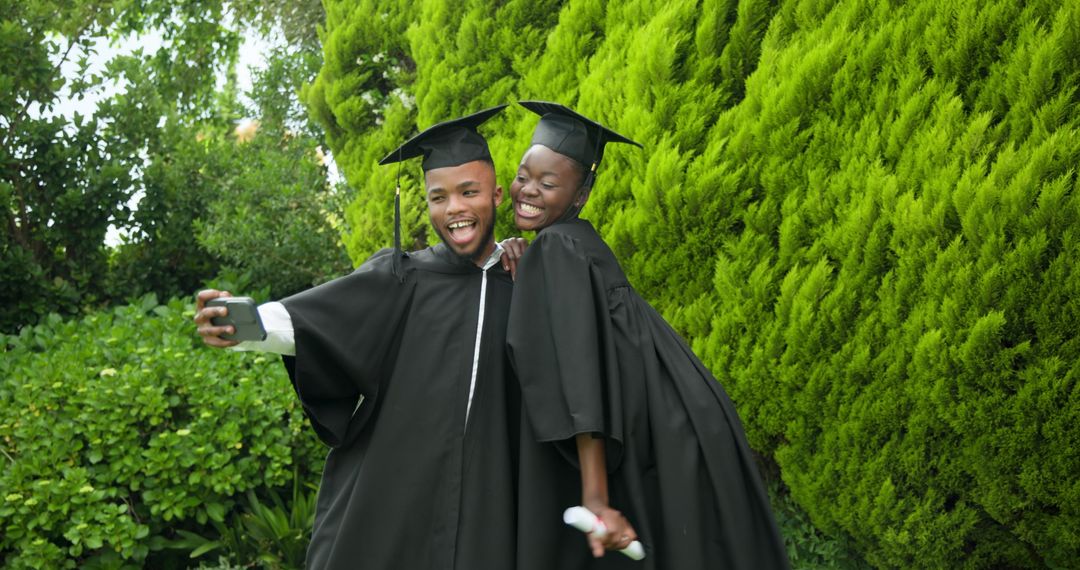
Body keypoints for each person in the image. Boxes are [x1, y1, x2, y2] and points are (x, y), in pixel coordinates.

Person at [195, 106, 527, 569]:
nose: (454, 209)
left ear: (495, 194)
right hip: (391, 496)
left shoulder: (524, 281)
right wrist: (243, 325)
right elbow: (315, 319)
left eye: (469, 192)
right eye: (438, 197)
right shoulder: (401, 279)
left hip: (488, 508)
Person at [506, 101, 791, 569]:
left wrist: (595, 498)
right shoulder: (579, 241)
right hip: (686, 420)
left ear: (581, 195)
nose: (528, 190)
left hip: (662, 434)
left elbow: (579, 374)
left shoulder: (555, 247)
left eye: (548, 183)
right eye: (523, 175)